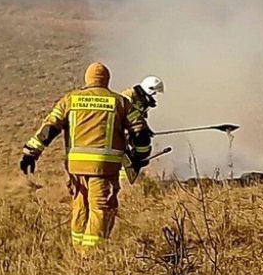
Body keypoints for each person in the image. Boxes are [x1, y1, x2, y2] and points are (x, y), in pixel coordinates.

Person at [19, 62, 149, 251]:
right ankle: (91, 258)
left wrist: (31, 153)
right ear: (107, 80)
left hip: (76, 168)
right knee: (100, 209)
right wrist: (140, 157)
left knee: (80, 207)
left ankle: (78, 251)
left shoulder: (71, 100)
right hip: (104, 168)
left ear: (87, 79)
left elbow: (49, 128)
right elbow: (141, 133)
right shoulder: (120, 102)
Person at [123, 75, 164, 176]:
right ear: (149, 89)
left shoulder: (141, 99)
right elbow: (129, 114)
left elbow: (139, 118)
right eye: (154, 92)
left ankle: (136, 161)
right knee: (142, 139)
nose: (154, 94)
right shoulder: (129, 96)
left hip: (131, 128)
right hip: (123, 129)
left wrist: (146, 128)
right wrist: (140, 129)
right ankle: (129, 167)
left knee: (142, 141)